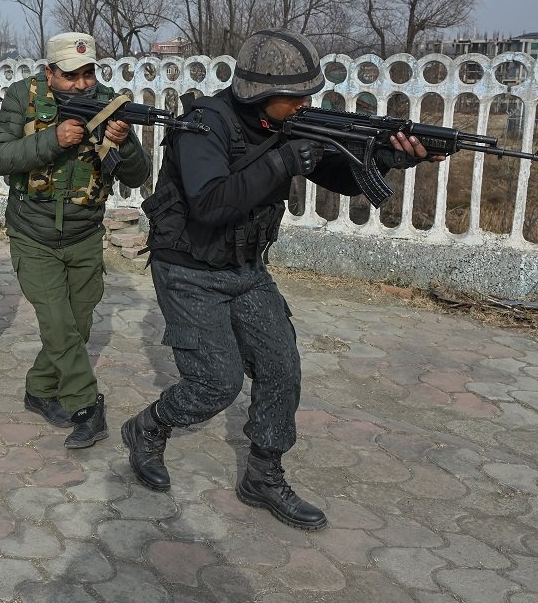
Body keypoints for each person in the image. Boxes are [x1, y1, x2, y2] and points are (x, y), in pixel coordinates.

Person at [123, 27, 437, 531]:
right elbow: (209, 204)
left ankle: (263, 476)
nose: (305, 105)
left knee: (281, 367)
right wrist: (283, 161)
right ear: (259, 93)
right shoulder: (203, 125)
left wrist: (390, 157)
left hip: (247, 270)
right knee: (215, 384)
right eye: (296, 97)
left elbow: (336, 175)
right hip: (188, 271)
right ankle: (148, 428)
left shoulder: (286, 122)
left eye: (308, 95)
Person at [0, 32, 148, 449]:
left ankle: (39, 390)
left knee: (77, 325)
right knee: (58, 326)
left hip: (85, 234)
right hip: (33, 233)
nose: (81, 84)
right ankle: (87, 407)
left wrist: (124, 142)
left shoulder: (109, 103)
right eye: (71, 76)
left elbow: (137, 176)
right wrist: (52, 140)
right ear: (49, 72)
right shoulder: (22, 96)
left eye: (88, 74)